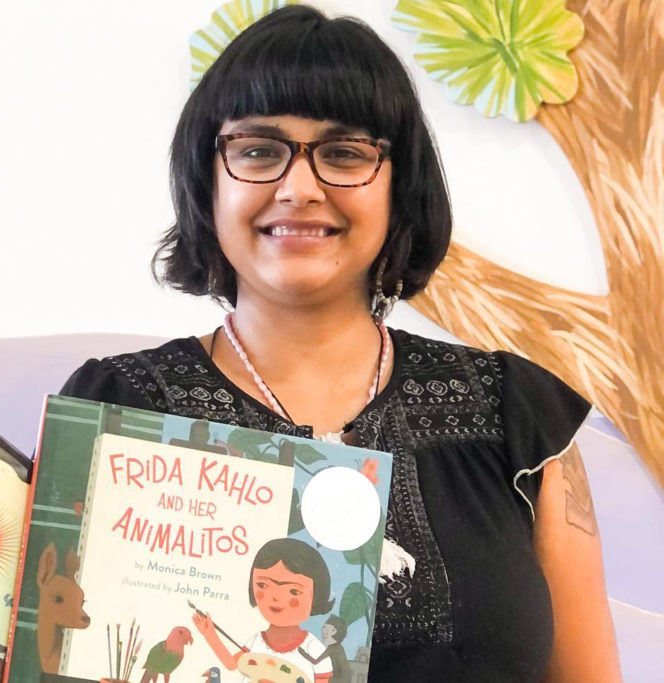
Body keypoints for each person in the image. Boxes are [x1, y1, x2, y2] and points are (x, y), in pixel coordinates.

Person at [60, 5, 621, 681]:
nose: (299, 188)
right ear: (206, 179)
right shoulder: (114, 410)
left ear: (399, 185)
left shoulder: (516, 415)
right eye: (258, 150)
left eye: (345, 153)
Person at [193, 538, 335, 681]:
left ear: (316, 596)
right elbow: (231, 664)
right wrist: (210, 634)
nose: (276, 597)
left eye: (293, 591)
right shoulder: (257, 642)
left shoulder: (313, 648)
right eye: (263, 585)